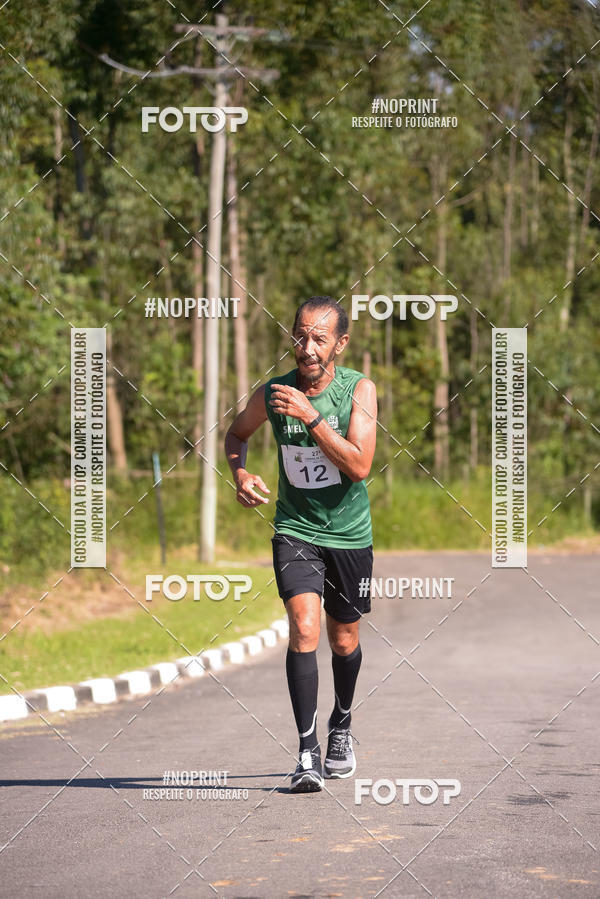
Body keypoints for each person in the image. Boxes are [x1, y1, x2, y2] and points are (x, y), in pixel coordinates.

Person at [224, 295, 377, 793]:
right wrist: (240, 471)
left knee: (344, 639)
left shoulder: (359, 391)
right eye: (299, 335)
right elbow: (236, 433)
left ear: (340, 344)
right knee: (304, 628)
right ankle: (307, 750)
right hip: (295, 529)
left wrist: (311, 417)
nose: (307, 347)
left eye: (319, 338)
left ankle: (342, 725)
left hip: (349, 535)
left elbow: (358, 465)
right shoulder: (274, 392)